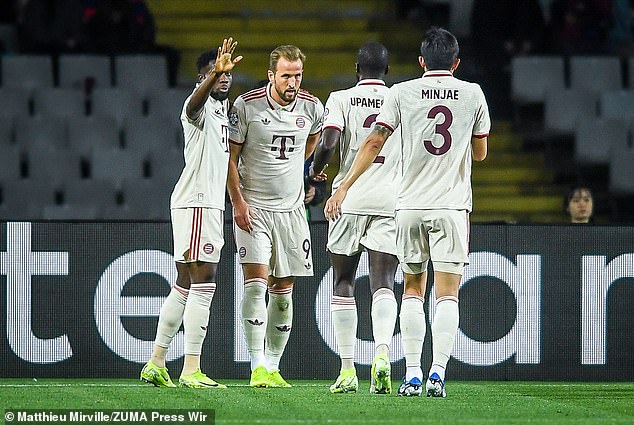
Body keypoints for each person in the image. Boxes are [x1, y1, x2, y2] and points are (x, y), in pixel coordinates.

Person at [325, 27, 490, 398]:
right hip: (451, 204)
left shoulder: (401, 92)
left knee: (413, 289)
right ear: (456, 62)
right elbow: (480, 153)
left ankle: (412, 373)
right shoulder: (474, 93)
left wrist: (346, 185)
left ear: (420, 62)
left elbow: (374, 140)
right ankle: (437, 375)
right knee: (448, 293)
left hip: (409, 205)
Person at [140, 37, 242, 389]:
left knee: (184, 285)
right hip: (198, 202)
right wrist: (213, 75)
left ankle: (155, 361)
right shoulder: (197, 106)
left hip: (203, 203)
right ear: (202, 78)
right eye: (215, 74)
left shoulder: (222, 112)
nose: (224, 78)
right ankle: (191, 369)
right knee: (205, 283)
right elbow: (193, 103)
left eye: (227, 74)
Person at [227, 45, 324, 388]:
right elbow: (230, 157)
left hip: (293, 212)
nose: (293, 81)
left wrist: (304, 177)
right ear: (272, 75)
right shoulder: (246, 105)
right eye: (286, 75)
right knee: (256, 283)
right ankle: (255, 365)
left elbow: (311, 147)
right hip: (254, 208)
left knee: (284, 288)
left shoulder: (312, 107)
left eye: (298, 74)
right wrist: (237, 202)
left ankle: (273, 365)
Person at [308, 42, 400, 394]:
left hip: (348, 197)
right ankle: (381, 354)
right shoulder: (399, 100)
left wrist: (317, 171)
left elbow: (329, 141)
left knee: (343, 280)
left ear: (355, 68)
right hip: (389, 198)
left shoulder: (340, 98)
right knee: (383, 282)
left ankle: (347, 368)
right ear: (386, 71)